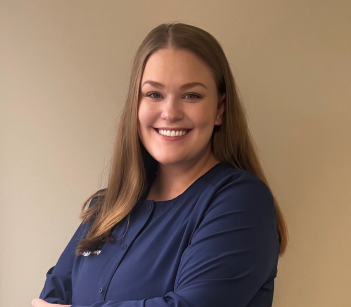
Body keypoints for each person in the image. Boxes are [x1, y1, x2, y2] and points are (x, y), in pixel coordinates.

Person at [31, 22, 287, 307]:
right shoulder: (108, 206)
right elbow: (52, 294)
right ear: (136, 106)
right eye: (154, 94)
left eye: (191, 95)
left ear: (220, 109)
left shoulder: (241, 201)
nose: (170, 113)